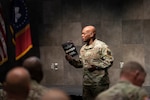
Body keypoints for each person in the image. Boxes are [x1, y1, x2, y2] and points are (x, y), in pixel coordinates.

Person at [65, 25, 114, 100]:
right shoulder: (83, 49)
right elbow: (80, 64)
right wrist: (71, 60)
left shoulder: (101, 46)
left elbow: (109, 61)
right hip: (87, 84)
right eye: (82, 33)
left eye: (84, 33)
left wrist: (96, 67)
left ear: (91, 34)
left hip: (99, 84)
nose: (82, 35)